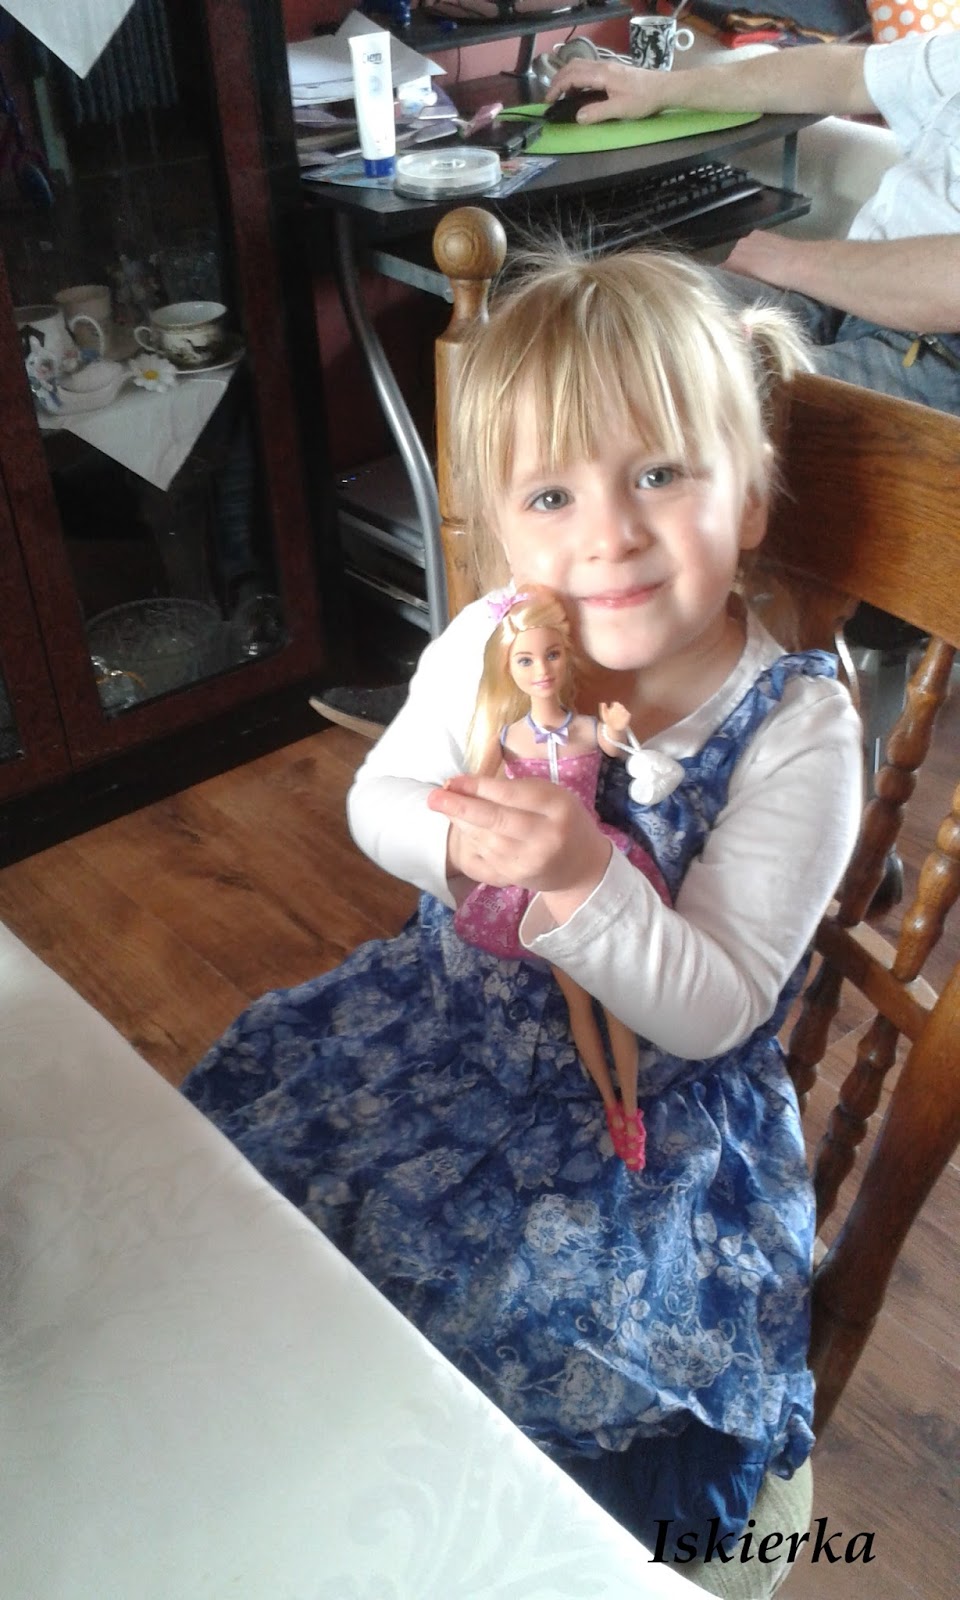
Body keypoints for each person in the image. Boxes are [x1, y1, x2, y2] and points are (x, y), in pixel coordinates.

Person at [182, 245, 863, 1556]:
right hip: (442, 1034)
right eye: (553, 494)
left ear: (752, 497)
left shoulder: (796, 730)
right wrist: (468, 847)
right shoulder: (495, 644)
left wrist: (581, 878)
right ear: (503, 529)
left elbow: (717, 1007)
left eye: (660, 475)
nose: (608, 534)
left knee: (561, 1449)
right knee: (249, 1267)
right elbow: (378, 798)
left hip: (643, 1128)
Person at [547, 28, 960, 416]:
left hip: (942, 354)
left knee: (663, 387)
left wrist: (790, 261)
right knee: (591, 317)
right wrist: (658, 88)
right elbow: (848, 75)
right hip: (838, 297)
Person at [453, 582, 673, 1168]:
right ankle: (609, 1101)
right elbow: (477, 791)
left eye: (551, 655)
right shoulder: (506, 738)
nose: (542, 670)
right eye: (525, 660)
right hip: (542, 879)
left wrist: (618, 728)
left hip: (598, 861)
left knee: (616, 997)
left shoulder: (587, 730)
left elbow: (620, 751)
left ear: (567, 656)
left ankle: (631, 1107)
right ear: (509, 671)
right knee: (578, 997)